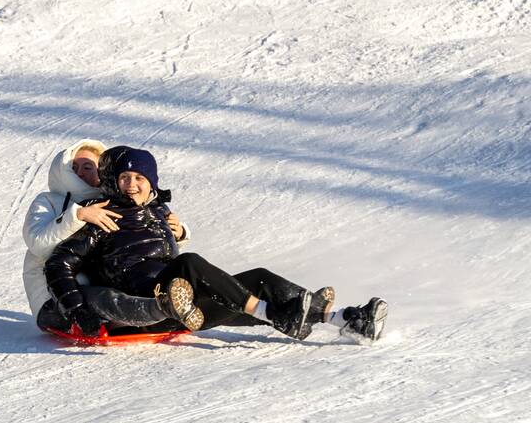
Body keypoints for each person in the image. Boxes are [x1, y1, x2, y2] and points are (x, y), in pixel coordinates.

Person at [44, 145, 388, 341]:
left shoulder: (161, 215)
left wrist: (176, 230)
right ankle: (275, 314)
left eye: (139, 178)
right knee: (189, 263)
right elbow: (58, 264)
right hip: (150, 304)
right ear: (113, 183)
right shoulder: (102, 215)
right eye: (124, 178)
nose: (132, 184)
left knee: (258, 278)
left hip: (187, 309)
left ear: (152, 182)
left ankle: (346, 320)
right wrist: (77, 311)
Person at [22, 140, 190, 333]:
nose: (80, 173)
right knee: (102, 298)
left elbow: (137, 246)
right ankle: (160, 311)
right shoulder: (49, 202)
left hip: (102, 290)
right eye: (73, 167)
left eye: (88, 167)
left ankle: (161, 311)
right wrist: (78, 216)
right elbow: (38, 244)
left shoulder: (114, 201)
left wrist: (179, 232)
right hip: (54, 297)